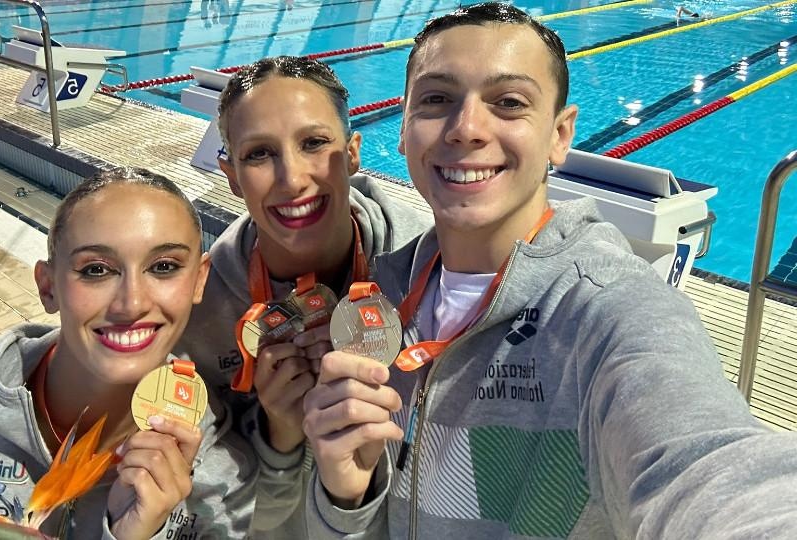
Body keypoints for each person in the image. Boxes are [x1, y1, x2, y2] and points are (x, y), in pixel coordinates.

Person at [302, 3, 797, 538]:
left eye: (509, 102)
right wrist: (345, 495)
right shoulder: (382, 294)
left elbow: (708, 467)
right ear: (403, 130)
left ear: (560, 135)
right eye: (437, 99)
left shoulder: (607, 312)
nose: (466, 127)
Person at [174, 56, 431, 535]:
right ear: (231, 176)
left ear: (353, 154)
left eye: (313, 143)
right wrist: (277, 437)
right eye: (258, 154)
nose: (291, 178)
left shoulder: (427, 267)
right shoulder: (199, 312)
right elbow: (216, 507)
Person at [0, 167, 256, 538]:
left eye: (163, 267)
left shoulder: (222, 484)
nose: (131, 303)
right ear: (48, 286)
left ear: (199, 281)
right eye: (97, 269)